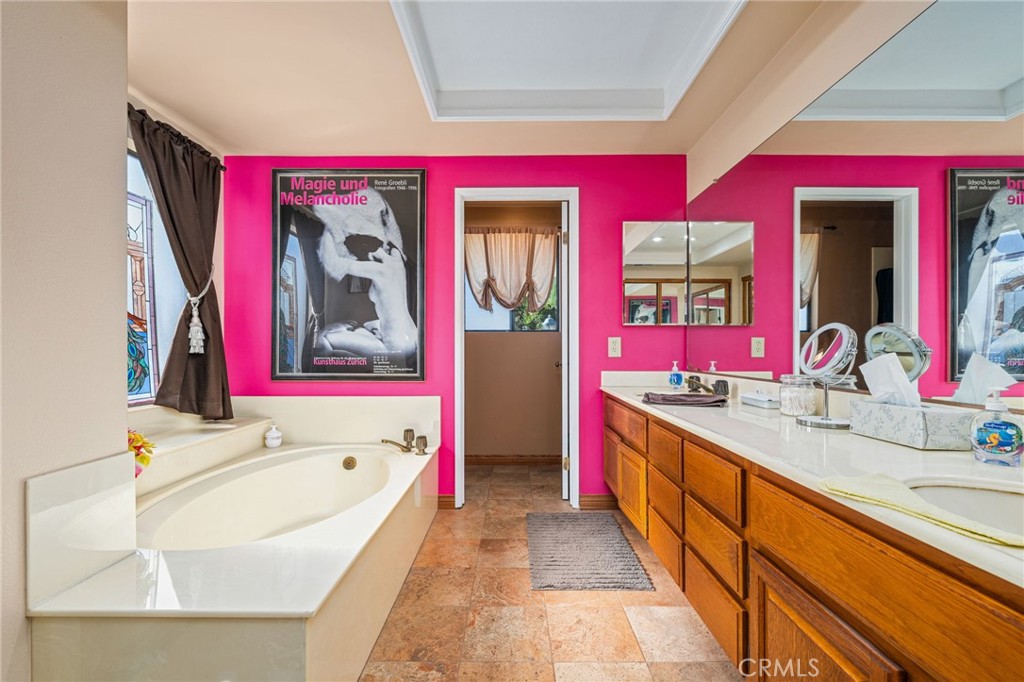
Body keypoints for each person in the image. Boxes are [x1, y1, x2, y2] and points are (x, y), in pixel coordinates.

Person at [312, 189, 419, 359]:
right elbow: (389, 231)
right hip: (412, 335)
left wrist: (330, 231)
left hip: (396, 345)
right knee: (362, 327)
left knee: (325, 338)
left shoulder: (381, 271)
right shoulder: (396, 259)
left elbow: (335, 264)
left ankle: (320, 370)